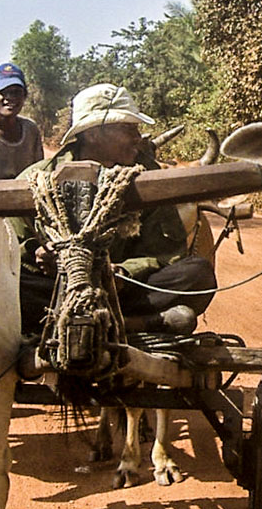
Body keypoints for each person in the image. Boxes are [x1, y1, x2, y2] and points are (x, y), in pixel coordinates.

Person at [16, 83, 215, 337]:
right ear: (93, 134)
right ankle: (135, 324)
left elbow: (166, 253)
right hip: (53, 289)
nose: (138, 137)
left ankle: (107, 322)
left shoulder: (147, 179)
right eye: (128, 128)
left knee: (197, 274)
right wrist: (38, 254)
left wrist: (123, 272)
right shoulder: (39, 179)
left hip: (123, 291)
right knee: (5, 284)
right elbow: (8, 247)